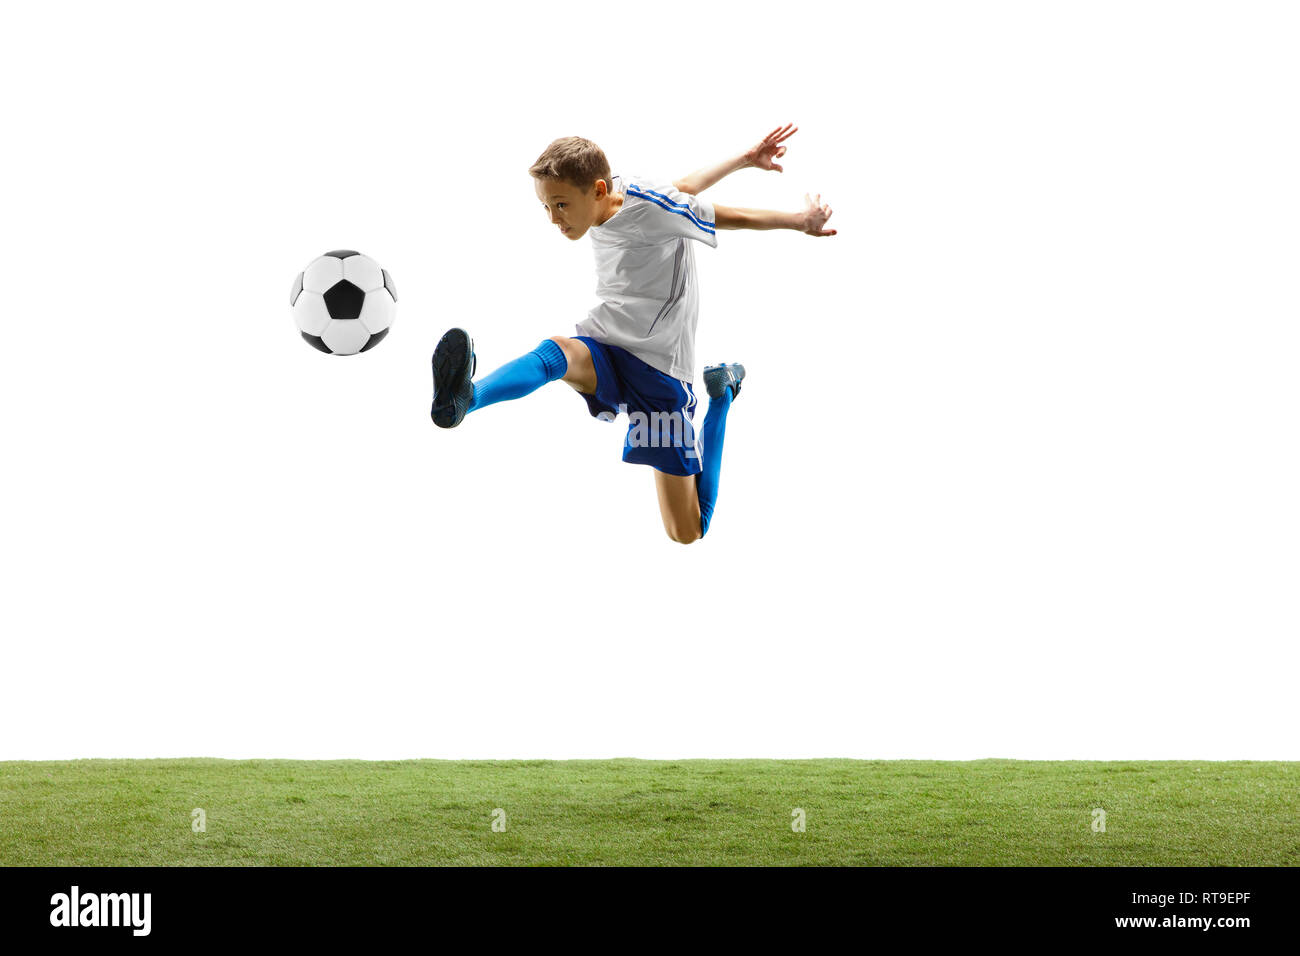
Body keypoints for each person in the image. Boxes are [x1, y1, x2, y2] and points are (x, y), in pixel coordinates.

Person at [431, 124, 836, 543]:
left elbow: (725, 214)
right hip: (608, 341)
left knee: (686, 531)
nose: (553, 218)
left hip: (660, 371)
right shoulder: (621, 194)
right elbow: (681, 186)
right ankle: (467, 398)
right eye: (546, 206)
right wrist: (744, 160)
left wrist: (801, 221)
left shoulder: (651, 210)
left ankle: (723, 396)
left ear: (599, 190)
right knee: (558, 352)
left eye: (561, 204)